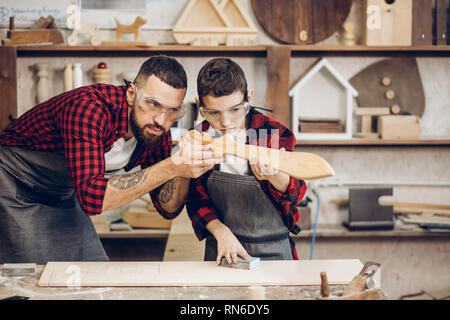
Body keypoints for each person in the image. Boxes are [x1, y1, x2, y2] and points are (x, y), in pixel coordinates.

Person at [0, 55, 220, 264]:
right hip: (14, 185)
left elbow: (167, 208)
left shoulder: (156, 129)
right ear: (131, 93)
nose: (161, 120)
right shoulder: (88, 108)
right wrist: (169, 167)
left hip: (63, 193)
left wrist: (182, 170)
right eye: (152, 104)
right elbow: (91, 199)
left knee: (91, 269)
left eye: (172, 111)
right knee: (29, 279)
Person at [186, 58, 307, 265]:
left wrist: (275, 175)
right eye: (214, 112)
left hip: (274, 249)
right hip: (223, 248)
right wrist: (220, 231)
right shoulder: (200, 138)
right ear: (199, 105)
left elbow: (297, 193)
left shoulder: (270, 133)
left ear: (249, 97)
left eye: (235, 110)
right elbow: (196, 201)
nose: (225, 122)